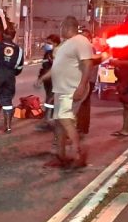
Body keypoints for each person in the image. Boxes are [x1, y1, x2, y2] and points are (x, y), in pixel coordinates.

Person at [37, 16, 94, 169]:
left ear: (68, 28)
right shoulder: (65, 45)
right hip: (61, 90)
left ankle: (78, 153)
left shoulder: (81, 41)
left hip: (72, 89)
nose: (60, 31)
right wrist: (42, 78)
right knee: (59, 123)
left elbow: (88, 64)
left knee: (65, 119)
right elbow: (57, 67)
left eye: (61, 27)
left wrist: (81, 86)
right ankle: (61, 156)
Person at [35, 34, 61, 132]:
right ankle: (48, 121)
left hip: (54, 81)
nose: (46, 45)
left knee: (51, 101)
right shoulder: (48, 53)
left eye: (49, 43)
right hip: (48, 81)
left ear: (55, 43)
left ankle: (50, 122)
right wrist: (40, 78)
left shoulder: (56, 54)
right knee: (49, 101)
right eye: (46, 43)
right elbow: (44, 67)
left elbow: (55, 69)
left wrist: (42, 78)